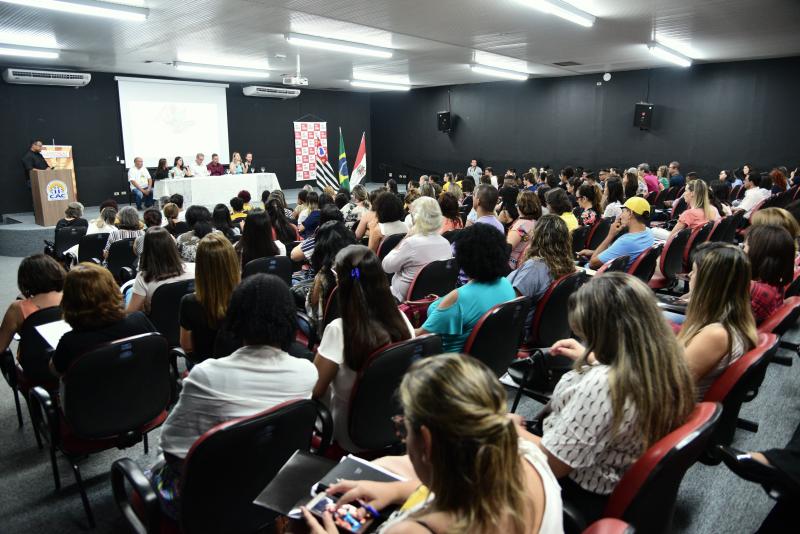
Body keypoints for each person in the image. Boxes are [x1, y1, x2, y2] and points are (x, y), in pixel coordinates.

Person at [304, 354, 564, 534]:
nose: (404, 439)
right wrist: (396, 490)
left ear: (426, 440)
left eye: (404, 429)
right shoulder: (529, 456)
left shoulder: (415, 530)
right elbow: (467, 483)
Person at [521, 273, 694, 522]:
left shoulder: (602, 385)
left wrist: (503, 427)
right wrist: (591, 357)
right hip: (610, 468)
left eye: (588, 336)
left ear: (605, 335)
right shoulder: (663, 361)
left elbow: (555, 463)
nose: (586, 342)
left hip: (571, 490)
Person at [154, 274, 317, 515]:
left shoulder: (205, 376)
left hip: (213, 502)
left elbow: (170, 448)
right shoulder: (306, 372)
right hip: (275, 485)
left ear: (235, 318)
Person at [312, 245, 414, 451]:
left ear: (340, 284)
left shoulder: (339, 331)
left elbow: (314, 390)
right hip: (394, 425)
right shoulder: (401, 321)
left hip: (348, 436)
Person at [417, 223, 516, 352]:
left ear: (464, 257)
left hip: (448, 366)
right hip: (487, 361)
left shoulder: (458, 299)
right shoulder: (506, 284)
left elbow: (419, 337)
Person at [677, 243, 757, 399]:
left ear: (709, 283)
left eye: (694, 271)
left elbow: (671, 387)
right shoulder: (730, 319)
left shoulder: (716, 334)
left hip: (669, 411)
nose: (690, 276)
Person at [50, 263, 156, 375]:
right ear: (113, 289)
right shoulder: (139, 320)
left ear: (69, 300)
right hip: (143, 390)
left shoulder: (70, 342)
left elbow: (55, 371)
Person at [507, 215, 575, 338]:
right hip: (550, 332)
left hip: (521, 333)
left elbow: (511, 307)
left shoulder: (535, 268)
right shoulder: (568, 266)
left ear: (537, 237)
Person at [179, 233, 240, 363]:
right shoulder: (247, 295)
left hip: (206, 370)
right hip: (242, 367)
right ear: (232, 262)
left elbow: (186, 346)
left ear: (200, 265)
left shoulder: (189, 302)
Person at [383, 197, 452, 302]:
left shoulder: (411, 243)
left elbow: (386, 266)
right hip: (433, 299)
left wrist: (406, 238)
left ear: (416, 218)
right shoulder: (446, 243)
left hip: (402, 300)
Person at [0, 255, 64, 364]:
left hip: (36, 370)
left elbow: (1, 347)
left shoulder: (17, 308)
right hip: (70, 365)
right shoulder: (74, 298)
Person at [127, 227, 195, 315]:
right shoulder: (194, 268)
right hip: (190, 324)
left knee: (129, 291)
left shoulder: (143, 277)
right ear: (172, 246)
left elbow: (130, 313)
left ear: (147, 249)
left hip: (157, 327)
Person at [306, 221, 357, 335]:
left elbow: (314, 313)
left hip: (332, 332)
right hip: (360, 325)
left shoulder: (323, 276)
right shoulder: (361, 265)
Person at [581, 197, 654, 269]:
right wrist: (592, 252)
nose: (620, 216)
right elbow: (619, 251)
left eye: (623, 211)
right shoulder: (648, 232)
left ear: (630, 213)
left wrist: (610, 235)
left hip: (596, 276)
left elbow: (592, 264)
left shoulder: (626, 242)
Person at [746, 224, 795, 323]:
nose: (741, 250)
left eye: (745, 246)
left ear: (756, 253)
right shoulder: (774, 282)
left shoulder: (754, 290)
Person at [652, 179, 720, 241]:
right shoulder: (713, 209)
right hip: (699, 245)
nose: (684, 194)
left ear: (692, 193)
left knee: (653, 230)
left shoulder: (689, 214)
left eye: (686, 191)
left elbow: (671, 237)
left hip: (685, 243)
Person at [507, 191, 541, 270]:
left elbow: (507, 249)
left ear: (520, 207)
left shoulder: (520, 227)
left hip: (511, 267)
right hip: (527, 266)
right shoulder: (536, 223)